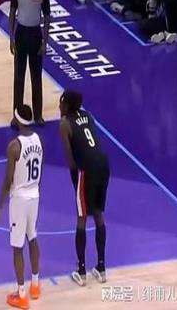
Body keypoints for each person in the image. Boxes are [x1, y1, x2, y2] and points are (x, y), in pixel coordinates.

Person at [59, 90, 110, 286]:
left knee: (81, 216)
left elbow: (71, 161)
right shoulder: (88, 115)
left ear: (66, 105)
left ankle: (81, 271)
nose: (59, 106)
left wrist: (76, 184)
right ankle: (101, 268)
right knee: (97, 213)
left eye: (61, 102)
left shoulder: (64, 124)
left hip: (86, 169)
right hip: (103, 164)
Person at [0, 105, 42, 310]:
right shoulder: (39, 140)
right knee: (33, 238)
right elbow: (41, 169)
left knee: (17, 247)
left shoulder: (14, 146)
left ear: (18, 121)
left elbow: (8, 179)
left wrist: (0, 205)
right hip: (35, 194)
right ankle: (36, 285)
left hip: (20, 199)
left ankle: (21, 295)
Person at [9, 0, 50, 127]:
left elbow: (47, 17)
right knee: (18, 78)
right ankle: (16, 115)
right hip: (21, 34)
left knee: (36, 77)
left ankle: (38, 115)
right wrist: (11, 38)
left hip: (35, 35)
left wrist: (45, 42)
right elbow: (12, 13)